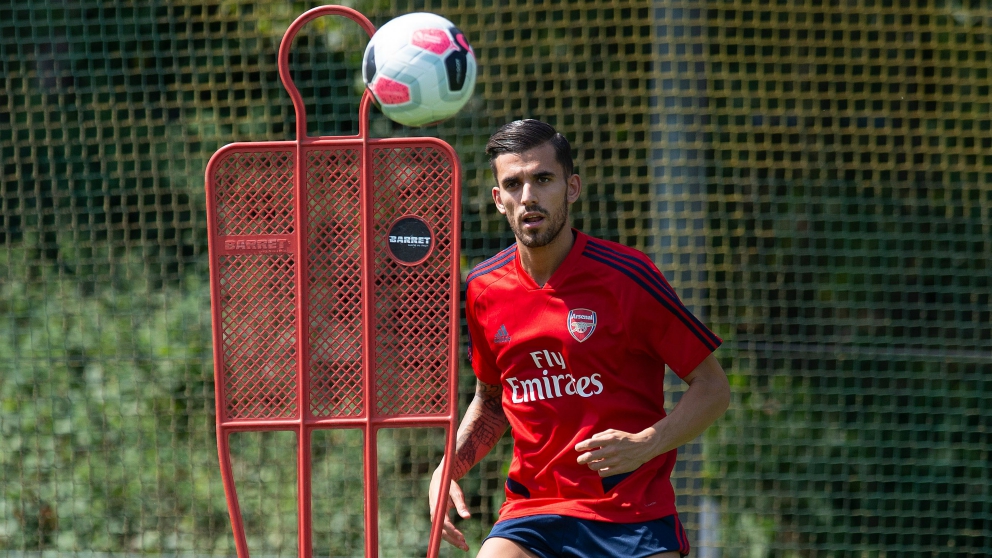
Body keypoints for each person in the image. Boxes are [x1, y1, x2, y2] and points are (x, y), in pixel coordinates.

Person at [429, 119, 730, 558]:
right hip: (532, 514)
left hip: (632, 516)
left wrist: (646, 443)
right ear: (498, 199)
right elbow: (491, 400)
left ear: (571, 188)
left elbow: (714, 388)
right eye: (513, 184)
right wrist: (447, 468)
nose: (528, 196)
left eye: (542, 179)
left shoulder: (628, 277)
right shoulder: (482, 287)